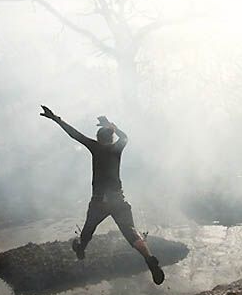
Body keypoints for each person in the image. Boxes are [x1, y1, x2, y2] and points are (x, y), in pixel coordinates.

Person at [39, 105, 165, 285]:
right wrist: (110, 124)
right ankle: (149, 259)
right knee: (132, 233)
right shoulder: (117, 148)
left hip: (100, 201)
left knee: (88, 230)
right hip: (118, 198)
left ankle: (81, 249)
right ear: (112, 137)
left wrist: (55, 118)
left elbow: (74, 134)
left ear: (98, 138)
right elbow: (125, 136)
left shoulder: (95, 147)